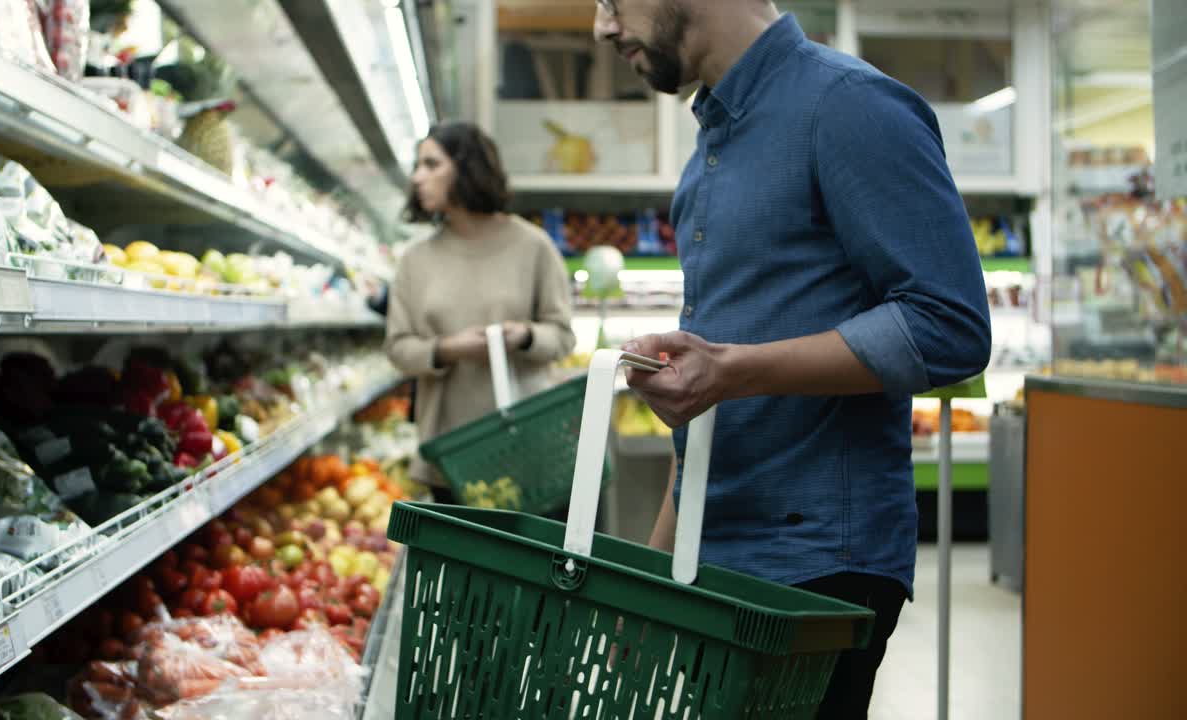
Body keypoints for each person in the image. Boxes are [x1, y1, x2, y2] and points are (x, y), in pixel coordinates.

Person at [593, 2, 992, 718]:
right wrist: (654, 573)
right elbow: (707, 404)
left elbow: (950, 324)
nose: (602, 25)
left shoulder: (849, 107)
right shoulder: (708, 154)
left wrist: (735, 369)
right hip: (715, 560)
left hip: (817, 569)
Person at [385, 122, 577, 499]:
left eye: (431, 164)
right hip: (449, 457)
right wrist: (447, 349)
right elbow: (397, 349)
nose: (417, 177)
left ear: (467, 167)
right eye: (417, 166)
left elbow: (563, 337)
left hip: (526, 448)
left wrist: (525, 337)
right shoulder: (415, 260)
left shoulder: (533, 247)